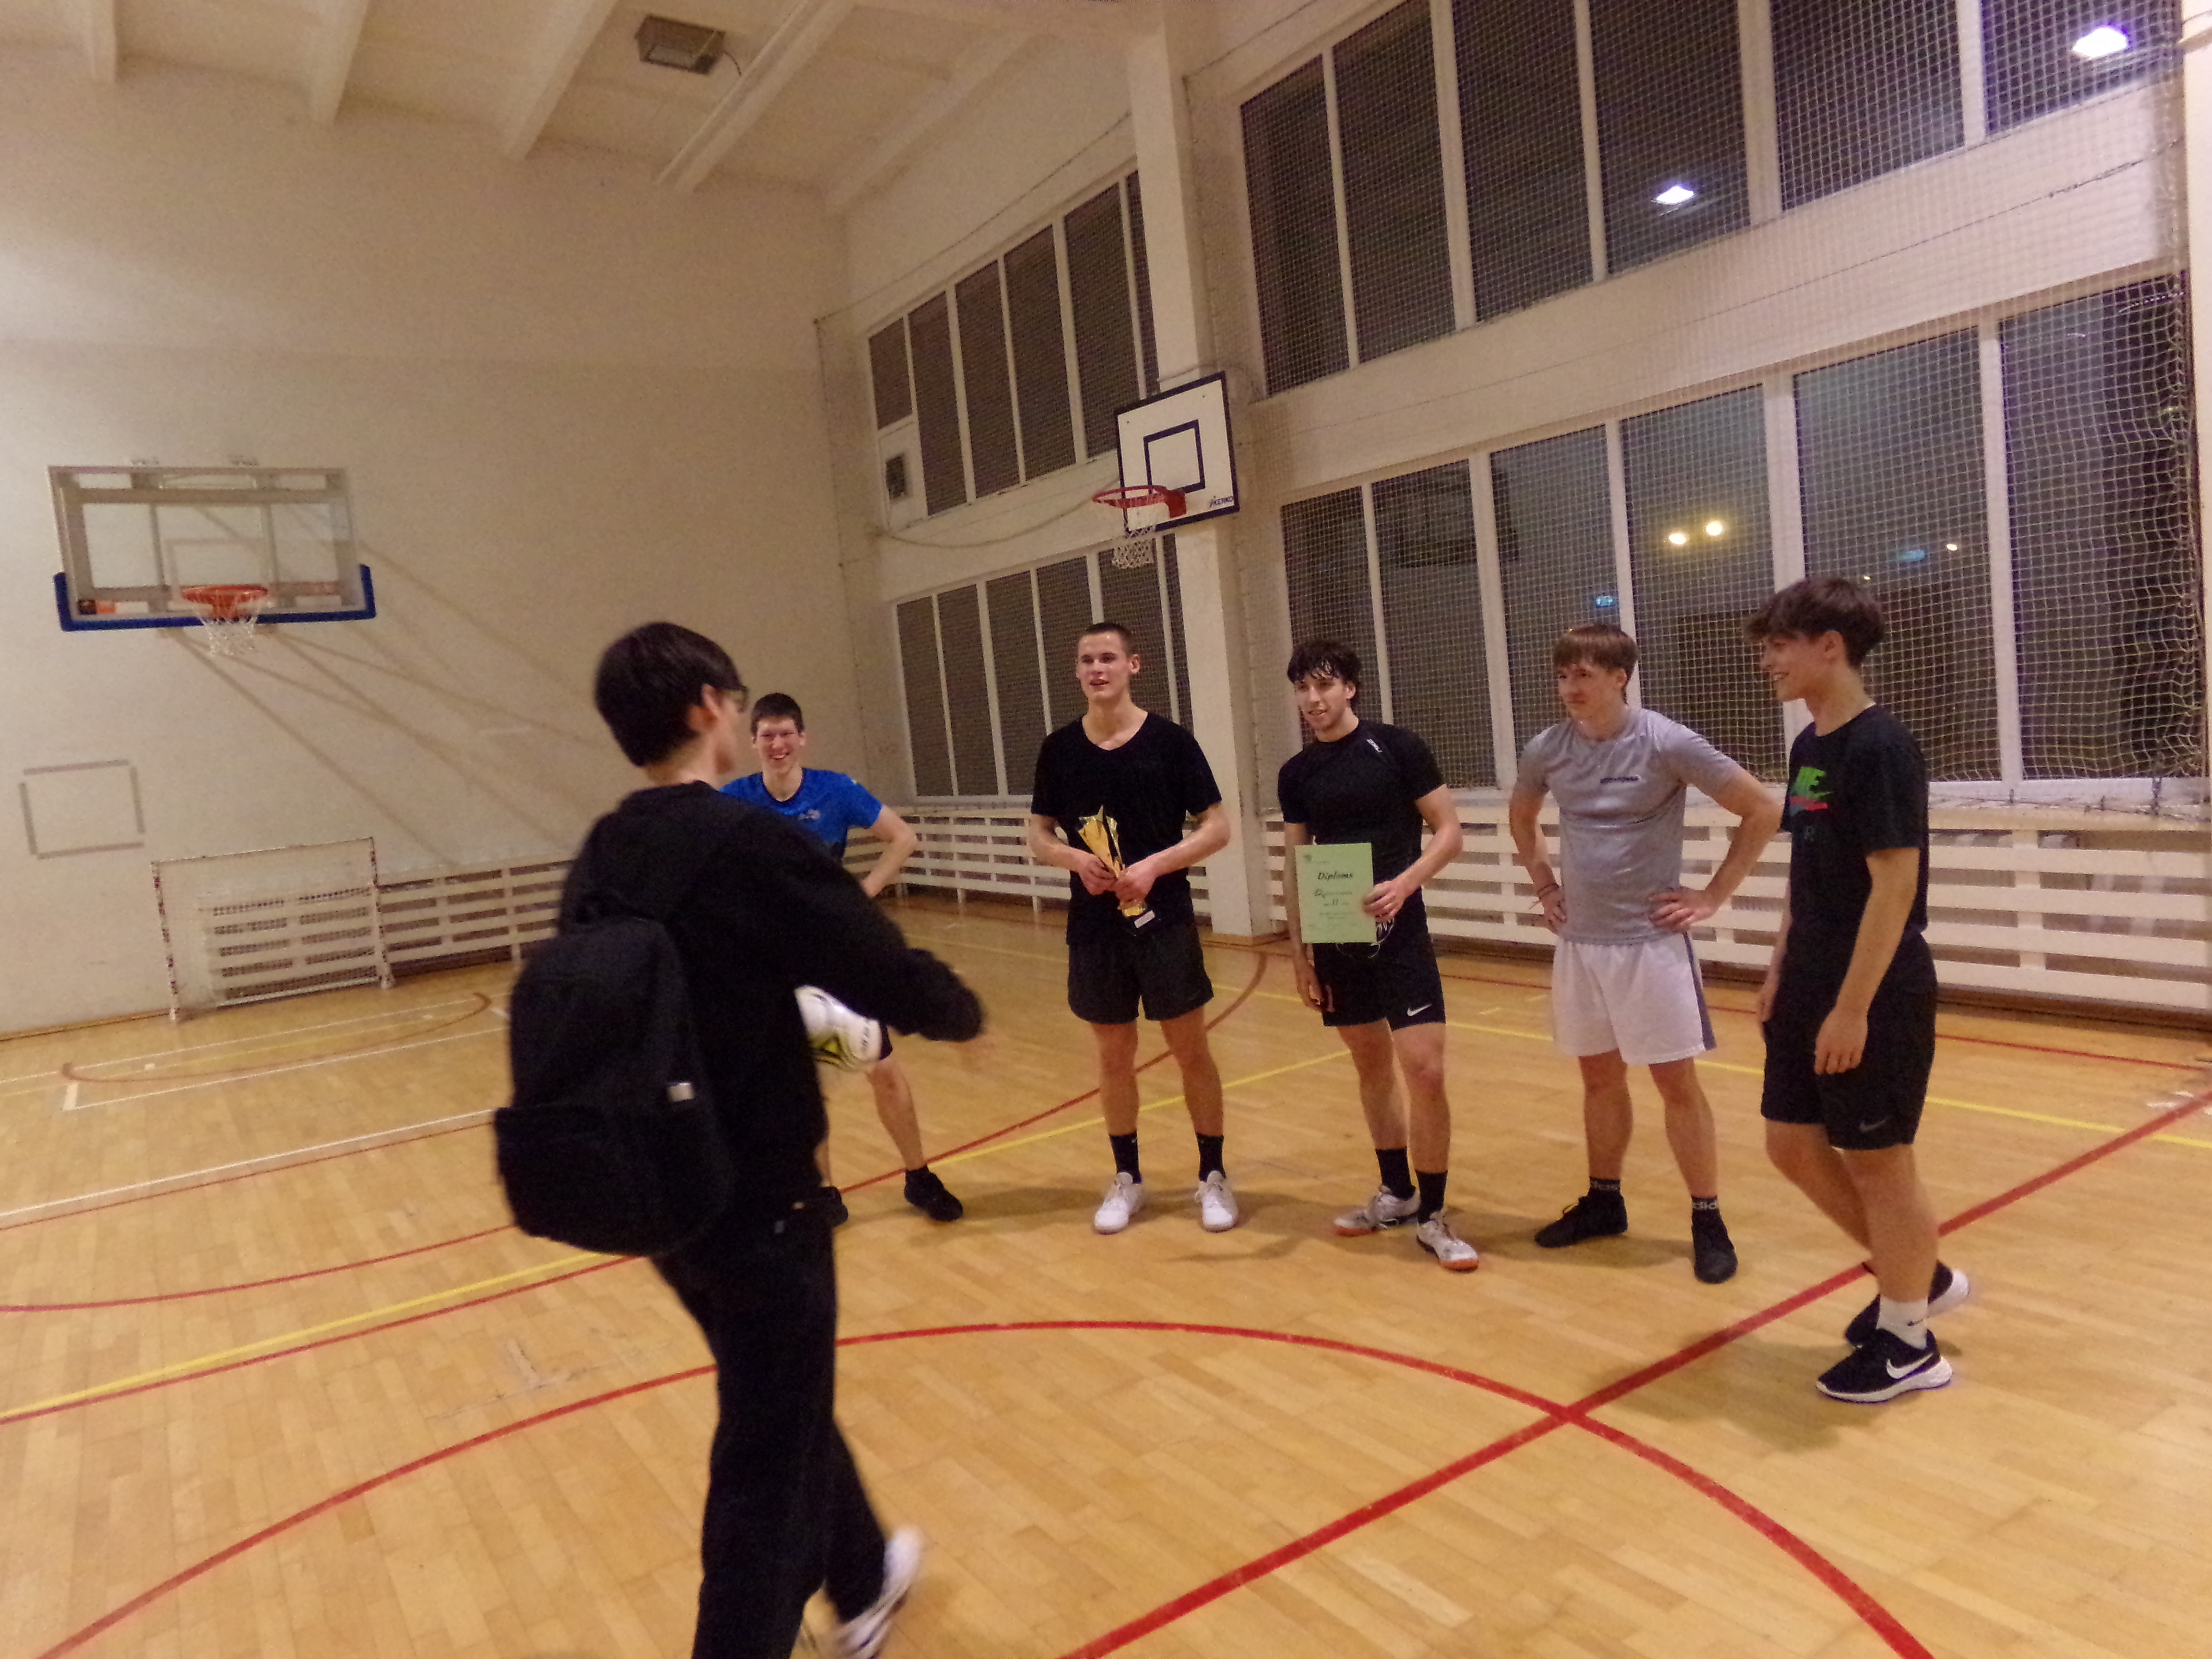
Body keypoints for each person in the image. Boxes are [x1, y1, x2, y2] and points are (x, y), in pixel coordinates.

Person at [571, 623, 984, 1657]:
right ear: (710, 708)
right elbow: (873, 962)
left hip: (664, 1195)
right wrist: (960, 1010)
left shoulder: (603, 852)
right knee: (763, 1451)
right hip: (759, 1196)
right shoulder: (744, 842)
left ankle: (862, 1576)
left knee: (778, 1388)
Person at [1509, 624, 1781, 1286]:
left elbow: (1761, 810)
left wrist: (1713, 895)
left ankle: (1708, 1218)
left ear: (1620, 677)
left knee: (1675, 1085)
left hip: (1650, 947)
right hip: (1582, 946)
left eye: (1584, 675)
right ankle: (1605, 1201)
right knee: (1599, 1081)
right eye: (1563, 675)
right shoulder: (1548, 748)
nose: (1571, 688)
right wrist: (1545, 885)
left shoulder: (1667, 742)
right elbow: (1522, 815)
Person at [1748, 578, 1963, 1402]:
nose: (1767, 661)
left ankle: (1909, 1343)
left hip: (1873, 987)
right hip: (1808, 977)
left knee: (1878, 1162)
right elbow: (1806, 865)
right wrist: (1780, 966)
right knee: (1790, 1143)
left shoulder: (1881, 747)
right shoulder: (1810, 745)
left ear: (1829, 647)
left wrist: (1851, 1007)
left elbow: (1894, 885)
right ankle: (1918, 1275)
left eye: (1779, 645)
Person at [1026, 620, 1236, 1234]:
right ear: (1077, 671)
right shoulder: (1059, 750)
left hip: (1163, 920)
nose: (1097, 669)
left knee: (1190, 1049)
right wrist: (1074, 860)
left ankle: (1213, 1175)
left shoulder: (1170, 743)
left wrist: (1154, 866)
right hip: (1096, 927)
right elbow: (1038, 834)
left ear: (1133, 666)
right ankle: (1127, 1178)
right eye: (1087, 660)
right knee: (1114, 1054)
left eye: (1108, 658)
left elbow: (1218, 828)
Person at [725, 691, 964, 1225]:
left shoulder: (835, 790)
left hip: (837, 958)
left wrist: (863, 894)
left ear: (802, 738)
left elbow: (903, 838)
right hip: (776, 966)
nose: (779, 744)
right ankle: (824, 1193)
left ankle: (920, 1177)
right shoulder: (734, 800)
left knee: (883, 1070)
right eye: (768, 735)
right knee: (802, 1085)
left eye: (787, 734)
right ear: (753, 742)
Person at [1278, 641, 1480, 1271]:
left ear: (1351, 688)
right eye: (1303, 688)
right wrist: (1300, 953)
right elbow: (1296, 863)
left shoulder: (1396, 748)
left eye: (1325, 685)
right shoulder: (1297, 773)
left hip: (1401, 935)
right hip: (1338, 939)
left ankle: (1435, 1214)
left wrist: (1405, 883)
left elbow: (1450, 833)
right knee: (1370, 1067)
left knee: (1425, 1069)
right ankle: (1397, 1192)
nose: (1314, 699)